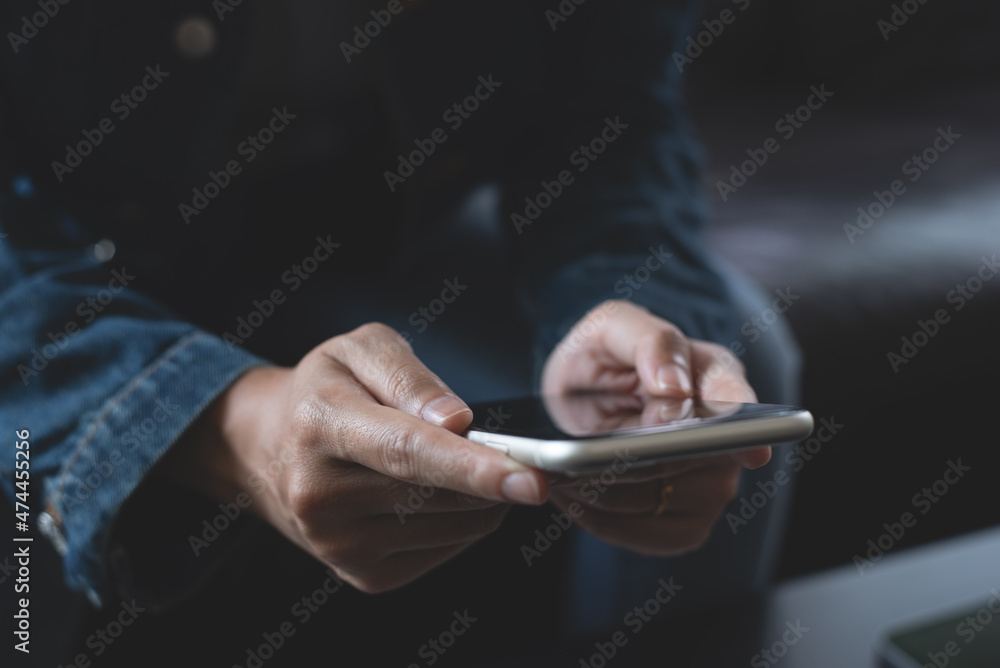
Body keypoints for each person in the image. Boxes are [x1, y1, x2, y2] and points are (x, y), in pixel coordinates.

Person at [0, 0, 798, 664]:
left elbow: (614, 110)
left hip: (376, 229)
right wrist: (227, 422)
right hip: (51, 259)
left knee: (713, 376)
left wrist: (615, 297)